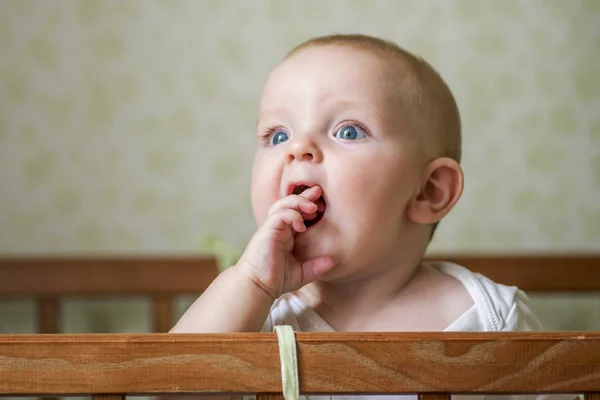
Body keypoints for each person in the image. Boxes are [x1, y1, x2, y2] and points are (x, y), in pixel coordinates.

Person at [167, 34, 567, 400]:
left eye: (348, 131)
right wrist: (251, 281)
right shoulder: (256, 314)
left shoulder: (493, 316)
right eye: (277, 135)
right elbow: (167, 389)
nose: (298, 148)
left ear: (428, 191)